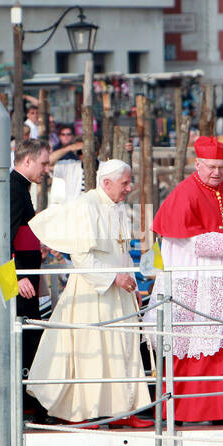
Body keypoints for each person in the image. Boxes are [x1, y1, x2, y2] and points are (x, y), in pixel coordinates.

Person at [26, 159, 152, 427]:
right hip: (92, 291)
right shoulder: (87, 207)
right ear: (106, 183)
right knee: (93, 351)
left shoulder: (115, 207)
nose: (129, 188)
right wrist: (114, 278)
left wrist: (133, 285)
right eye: (125, 183)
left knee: (124, 348)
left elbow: (121, 250)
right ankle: (87, 411)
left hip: (119, 290)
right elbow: (82, 258)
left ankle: (124, 410)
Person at [147, 136, 223, 423]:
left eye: (221, 167)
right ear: (197, 164)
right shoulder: (185, 193)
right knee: (197, 344)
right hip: (196, 287)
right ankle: (190, 412)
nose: (217, 173)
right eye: (211, 167)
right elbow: (192, 242)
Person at [10, 139, 50, 381]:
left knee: (28, 335)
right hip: (20, 282)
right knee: (25, 336)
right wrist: (17, 276)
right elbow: (4, 237)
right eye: (43, 163)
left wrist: (37, 248)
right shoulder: (15, 189)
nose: (46, 169)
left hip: (24, 277)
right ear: (28, 160)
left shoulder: (18, 187)